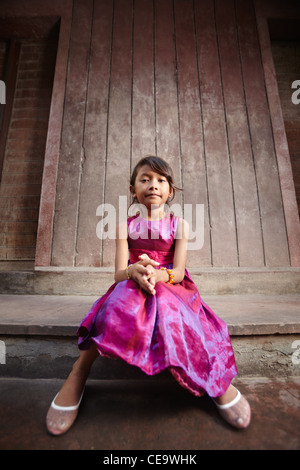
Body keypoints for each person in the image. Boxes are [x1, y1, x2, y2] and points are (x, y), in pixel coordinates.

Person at [46, 156, 251, 435]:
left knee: (173, 310)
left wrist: (159, 275)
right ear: (133, 190)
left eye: (160, 180)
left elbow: (178, 272)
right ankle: (79, 370)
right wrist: (135, 272)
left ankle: (215, 381)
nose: (152, 185)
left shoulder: (179, 225)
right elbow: (118, 273)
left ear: (170, 191)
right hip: (134, 277)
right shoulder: (124, 226)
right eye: (144, 179)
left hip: (170, 283)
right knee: (117, 305)